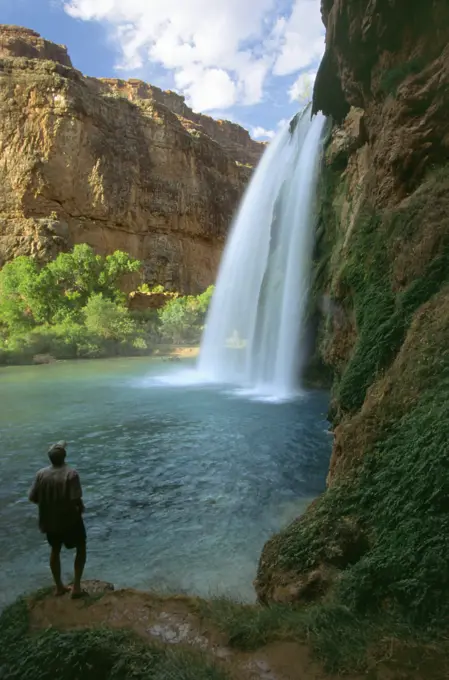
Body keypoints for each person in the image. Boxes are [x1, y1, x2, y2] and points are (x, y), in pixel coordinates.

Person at [29, 440, 86, 598]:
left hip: (50, 521)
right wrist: (80, 507)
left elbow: (33, 498)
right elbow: (76, 499)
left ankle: (59, 587)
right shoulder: (71, 474)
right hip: (70, 520)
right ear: (64, 456)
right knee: (81, 548)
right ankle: (76, 587)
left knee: (55, 550)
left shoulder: (41, 474)